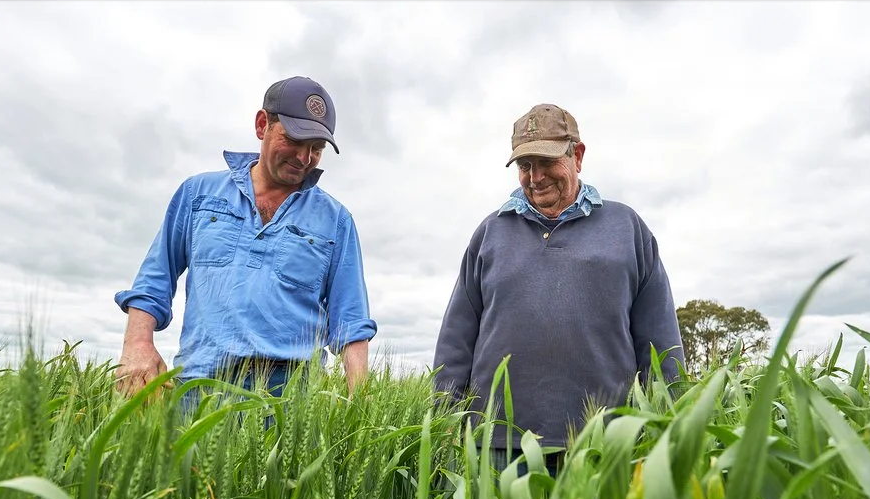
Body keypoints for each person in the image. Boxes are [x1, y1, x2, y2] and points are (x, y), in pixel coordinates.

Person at [430, 104, 684, 465]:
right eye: (524, 165)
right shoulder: (490, 233)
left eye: (546, 162)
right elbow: (456, 339)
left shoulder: (626, 229)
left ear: (577, 156)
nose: (535, 177)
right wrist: (444, 421)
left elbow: (661, 344)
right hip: (498, 446)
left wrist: (667, 426)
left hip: (605, 443)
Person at [113, 77, 376, 397]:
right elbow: (155, 277)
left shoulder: (336, 220)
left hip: (292, 398)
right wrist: (138, 344)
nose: (304, 157)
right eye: (294, 140)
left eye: (316, 149)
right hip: (200, 388)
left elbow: (351, 321)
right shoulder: (198, 194)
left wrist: (359, 405)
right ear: (262, 124)